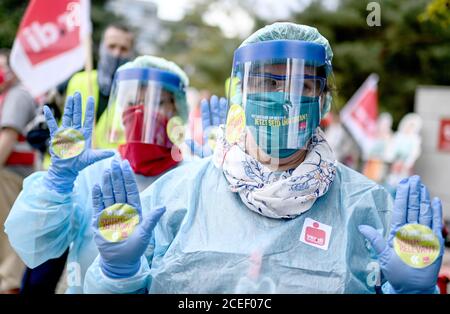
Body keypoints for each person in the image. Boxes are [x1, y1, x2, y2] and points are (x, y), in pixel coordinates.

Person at [83, 22, 444, 294]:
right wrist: (119, 275)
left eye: (300, 85)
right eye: (267, 83)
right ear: (241, 92)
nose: (282, 97)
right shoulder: (175, 196)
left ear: (322, 100)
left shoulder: (365, 207)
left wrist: (412, 290)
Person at [5, 55, 197, 293]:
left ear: (177, 109)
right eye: (131, 103)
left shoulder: (192, 177)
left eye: (156, 102)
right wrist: (58, 182)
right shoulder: (92, 171)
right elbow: (36, 241)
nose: (140, 112)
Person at [0, 48, 37, 293]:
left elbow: (8, 137)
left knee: (9, 242)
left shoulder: (17, 95)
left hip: (11, 177)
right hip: (9, 176)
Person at [65, 23, 135, 148]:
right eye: (112, 46)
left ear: (131, 53)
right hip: (72, 164)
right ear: (102, 47)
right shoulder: (79, 80)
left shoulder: (137, 94)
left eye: (123, 49)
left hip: (112, 166)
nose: (116, 54)